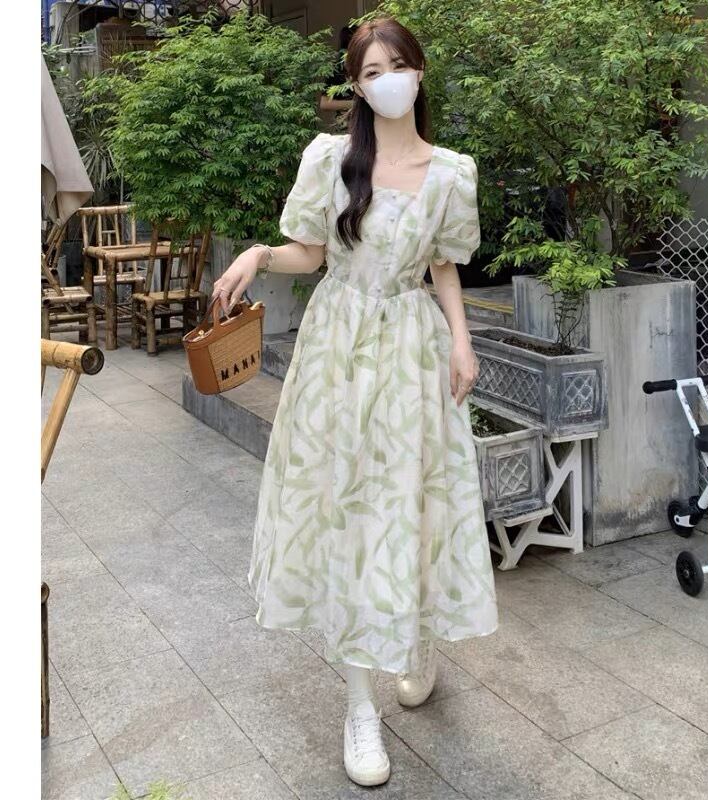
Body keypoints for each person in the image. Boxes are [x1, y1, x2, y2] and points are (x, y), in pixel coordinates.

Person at [211, 15, 499, 789]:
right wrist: (258, 253)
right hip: (338, 352)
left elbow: (444, 267)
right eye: (371, 72)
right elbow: (310, 253)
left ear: (420, 72)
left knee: (412, 502)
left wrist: (462, 343)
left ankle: (415, 639)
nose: (387, 80)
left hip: (410, 349)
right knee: (348, 515)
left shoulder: (452, 173)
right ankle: (360, 707)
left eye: (397, 65)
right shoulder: (332, 160)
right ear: (357, 86)